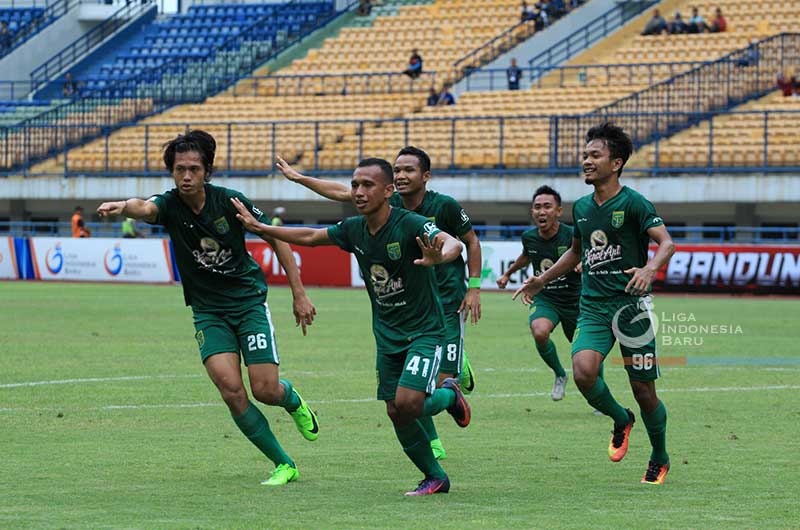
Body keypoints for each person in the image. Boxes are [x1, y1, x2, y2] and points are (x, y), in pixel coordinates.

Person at [232, 157, 471, 496]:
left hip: (423, 332)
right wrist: (264, 230)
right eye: (355, 184)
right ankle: (435, 477)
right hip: (387, 337)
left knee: (409, 403)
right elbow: (312, 236)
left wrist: (440, 256)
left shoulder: (410, 223)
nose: (359, 192)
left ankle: (449, 396)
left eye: (367, 185)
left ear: (388, 191)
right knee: (395, 410)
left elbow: (454, 242)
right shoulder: (353, 228)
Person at [96, 130, 320, 487]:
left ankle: (292, 401)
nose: (186, 176)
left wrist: (299, 293)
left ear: (207, 171)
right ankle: (284, 463)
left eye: (194, 169)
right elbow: (145, 207)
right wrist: (123, 207)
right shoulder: (168, 204)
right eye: (180, 169)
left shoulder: (231, 202)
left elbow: (276, 238)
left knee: (264, 389)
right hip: (208, 311)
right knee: (232, 391)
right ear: (172, 172)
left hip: (248, 304)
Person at [276, 146, 483, 462]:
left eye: (408, 170)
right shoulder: (386, 204)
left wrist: (473, 286)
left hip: (446, 300)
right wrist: (299, 177)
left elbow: (465, 242)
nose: (401, 175)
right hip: (406, 306)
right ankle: (434, 441)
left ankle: (453, 378)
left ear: (425, 176)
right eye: (397, 170)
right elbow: (338, 192)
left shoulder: (445, 206)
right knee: (408, 391)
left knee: (436, 383)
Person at [513, 123, 675, 485]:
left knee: (644, 390)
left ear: (615, 163)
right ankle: (621, 419)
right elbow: (575, 252)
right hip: (594, 306)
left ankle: (660, 455)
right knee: (584, 372)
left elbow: (666, 243)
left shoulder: (633, 202)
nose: (585, 161)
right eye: (585, 155)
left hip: (631, 309)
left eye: (594, 155)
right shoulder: (583, 207)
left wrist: (650, 269)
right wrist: (542, 279)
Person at [496, 186, 582, 401]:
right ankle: (560, 375)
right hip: (546, 297)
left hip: (575, 299)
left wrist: (583, 263)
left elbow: (588, 255)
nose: (541, 212)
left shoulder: (572, 235)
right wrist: (507, 274)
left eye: (547, 207)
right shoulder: (529, 237)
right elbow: (525, 257)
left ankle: (598, 393)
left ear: (559, 211)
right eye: (537, 207)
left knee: (584, 352)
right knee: (540, 331)